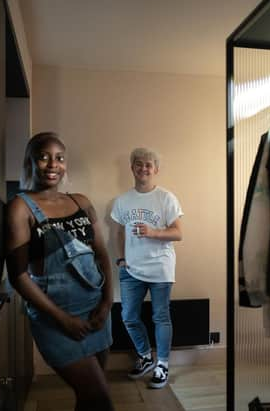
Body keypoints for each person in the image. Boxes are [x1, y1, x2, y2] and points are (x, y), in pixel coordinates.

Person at [6, 132, 114, 411]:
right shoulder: (20, 207)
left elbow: (101, 255)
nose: (52, 164)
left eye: (59, 158)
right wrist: (62, 318)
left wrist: (106, 303)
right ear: (31, 162)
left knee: (89, 399)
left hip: (95, 311)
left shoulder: (81, 201)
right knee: (100, 400)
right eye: (43, 157)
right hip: (55, 317)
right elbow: (18, 277)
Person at [110, 147, 183, 389]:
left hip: (161, 268)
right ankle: (145, 357)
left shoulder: (166, 198)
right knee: (129, 316)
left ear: (156, 169)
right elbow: (117, 233)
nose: (143, 168)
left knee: (161, 316)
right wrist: (121, 260)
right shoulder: (122, 200)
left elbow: (178, 232)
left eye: (148, 165)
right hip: (130, 270)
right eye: (139, 164)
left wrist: (153, 232)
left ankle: (162, 364)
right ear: (132, 167)